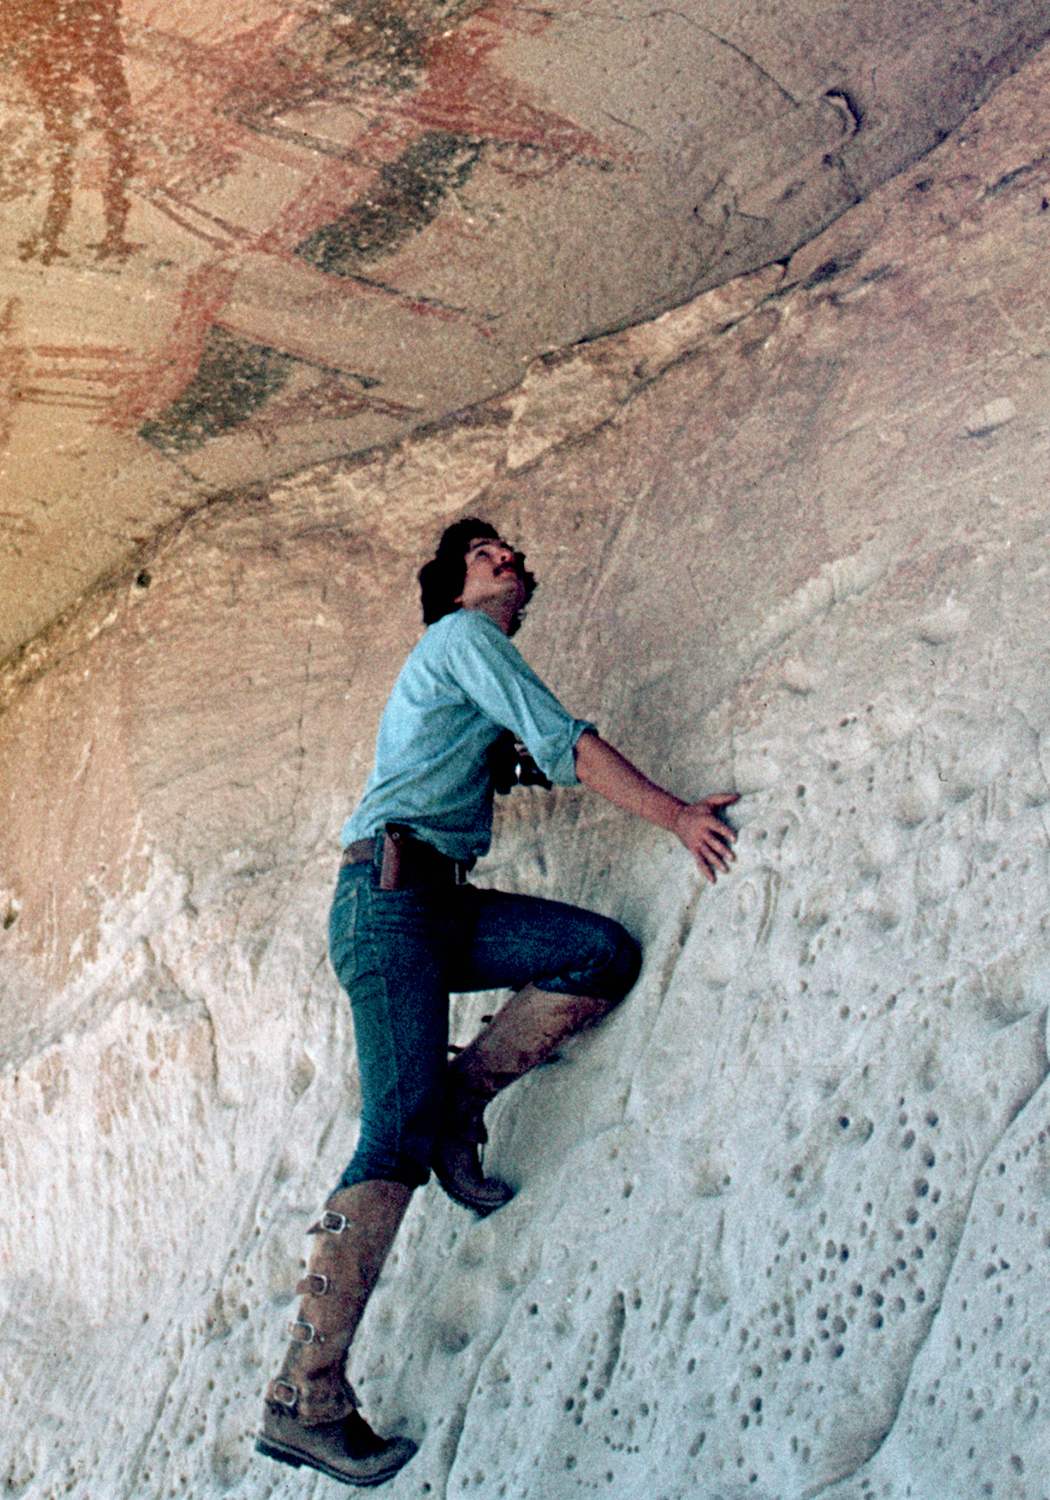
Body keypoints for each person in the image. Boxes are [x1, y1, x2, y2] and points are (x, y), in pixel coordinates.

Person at [255, 519, 738, 1487]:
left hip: (428, 905)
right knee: (387, 1138)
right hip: (389, 906)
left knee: (594, 956)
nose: (510, 559)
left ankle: (459, 1105)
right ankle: (302, 1395)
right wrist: (675, 815)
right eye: (486, 554)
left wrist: (506, 765)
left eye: (514, 553)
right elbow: (568, 746)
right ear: (452, 587)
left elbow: (507, 758)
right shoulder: (461, 641)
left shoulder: (459, 679)